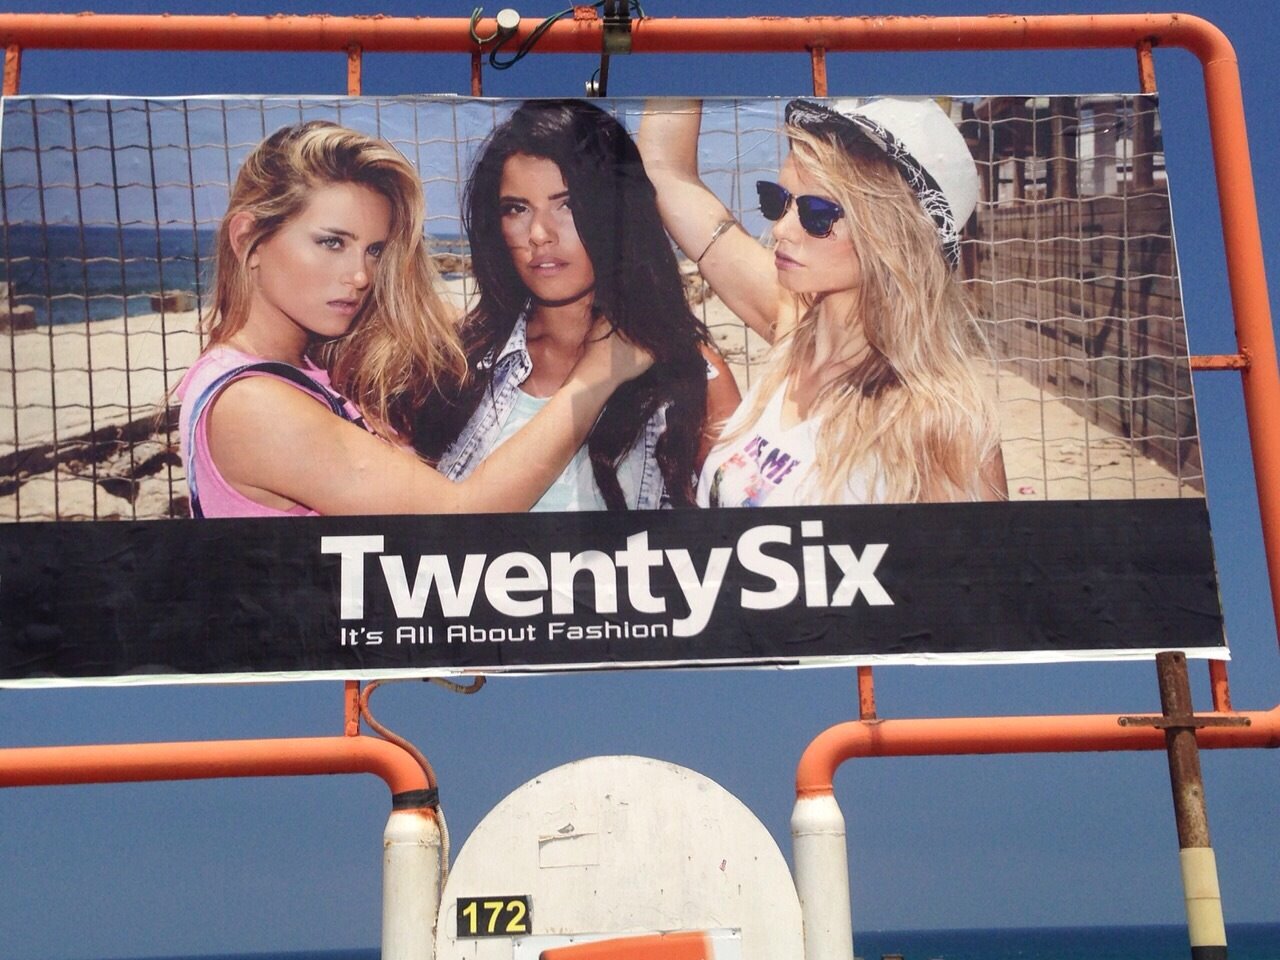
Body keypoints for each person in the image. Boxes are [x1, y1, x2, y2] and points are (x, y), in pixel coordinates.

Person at [177, 120, 649, 518]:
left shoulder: (292, 369)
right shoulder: (253, 406)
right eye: (331, 242)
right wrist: (596, 376)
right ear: (248, 240)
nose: (361, 276)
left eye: (374, 250)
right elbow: (463, 517)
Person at [638, 97, 1008, 506]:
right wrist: (690, 57)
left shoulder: (942, 425)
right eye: (778, 200)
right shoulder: (797, 330)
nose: (780, 230)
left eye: (817, 214)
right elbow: (664, 171)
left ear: (893, 234)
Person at [414, 99, 740, 511]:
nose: (539, 234)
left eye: (566, 204)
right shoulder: (456, 365)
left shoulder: (692, 375)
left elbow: (743, 528)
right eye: (517, 209)